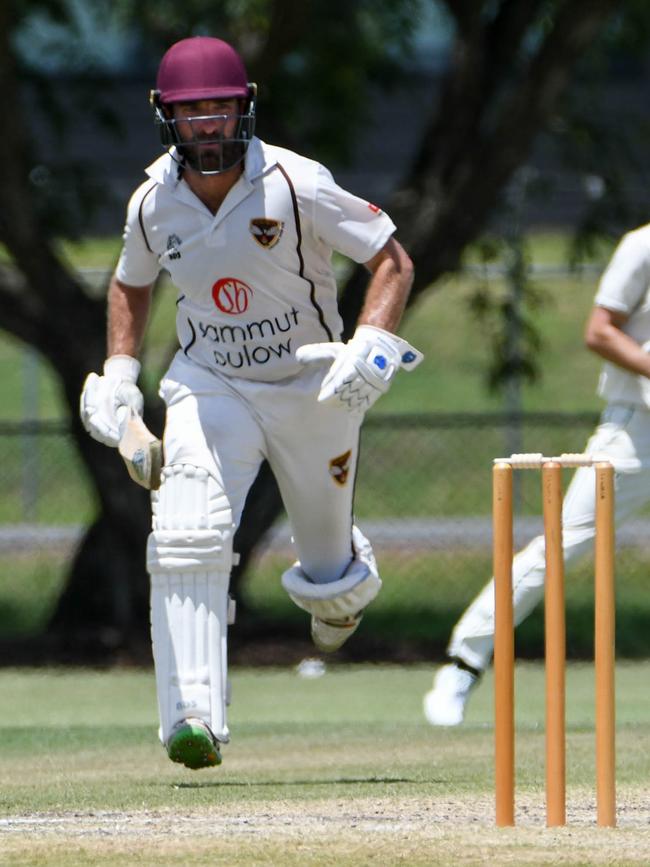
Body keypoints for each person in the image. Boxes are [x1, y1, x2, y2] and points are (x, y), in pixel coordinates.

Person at [79, 36, 422, 769]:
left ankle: (339, 585)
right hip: (211, 380)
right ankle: (191, 718)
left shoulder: (297, 184)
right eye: (192, 114)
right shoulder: (152, 201)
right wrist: (117, 369)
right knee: (185, 527)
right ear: (165, 118)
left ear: (246, 108)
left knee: (329, 588)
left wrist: (373, 344)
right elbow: (129, 281)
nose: (208, 126)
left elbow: (390, 258)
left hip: (313, 385)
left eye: (220, 110)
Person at [424, 222, 650, 726]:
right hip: (639, 430)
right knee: (561, 543)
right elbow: (600, 330)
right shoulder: (643, 245)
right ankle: (464, 664)